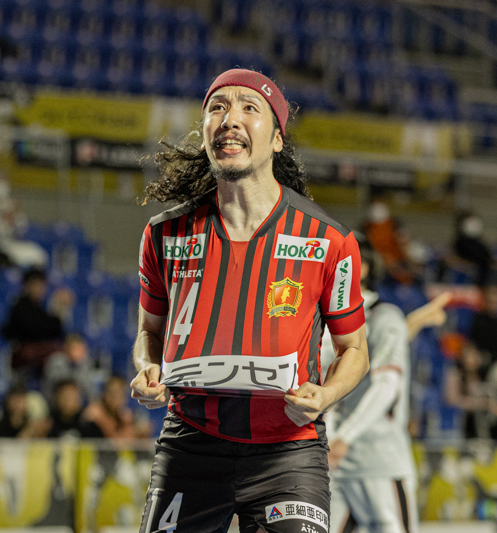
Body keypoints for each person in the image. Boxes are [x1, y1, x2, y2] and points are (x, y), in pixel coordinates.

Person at [131, 69, 370, 533]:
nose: (230, 119)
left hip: (289, 452)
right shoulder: (164, 234)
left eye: (248, 107)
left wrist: (325, 395)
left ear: (277, 139)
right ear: (205, 133)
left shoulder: (329, 240)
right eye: (217, 108)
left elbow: (355, 350)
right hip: (190, 445)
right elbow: (149, 332)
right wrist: (148, 368)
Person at [322, 238, 450, 533]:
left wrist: (344, 438)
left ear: (363, 268)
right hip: (335, 460)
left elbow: (386, 385)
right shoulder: (329, 320)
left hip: (377, 459)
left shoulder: (383, 317)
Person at [1, 268, 78, 374]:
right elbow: (36, 331)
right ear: (26, 286)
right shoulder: (20, 306)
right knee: (59, 355)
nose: (39, 289)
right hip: (23, 353)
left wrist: (60, 310)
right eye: (35, 284)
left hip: (41, 352)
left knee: (73, 350)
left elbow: (56, 332)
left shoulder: (40, 308)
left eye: (41, 285)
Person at [0, 170, 48, 268]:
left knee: (39, 254)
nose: (1, 185)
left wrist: (14, 216)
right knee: (16, 257)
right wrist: (5, 219)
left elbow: (22, 227)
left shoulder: (11, 203)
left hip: (14, 241)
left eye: (3, 181)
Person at [444, 342, 492, 439]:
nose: (474, 360)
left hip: (476, 421)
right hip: (459, 420)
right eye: (470, 356)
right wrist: (475, 403)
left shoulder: (479, 376)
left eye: (475, 356)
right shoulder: (455, 374)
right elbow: (451, 400)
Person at [83, 375, 151, 438]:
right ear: (104, 394)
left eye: (120, 393)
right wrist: (135, 432)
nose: (116, 397)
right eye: (112, 392)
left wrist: (141, 433)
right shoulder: (94, 413)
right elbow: (113, 439)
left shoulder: (124, 415)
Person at [470, 284, 497, 364]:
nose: (494, 298)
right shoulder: (478, 320)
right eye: (492, 294)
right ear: (486, 297)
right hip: (482, 360)